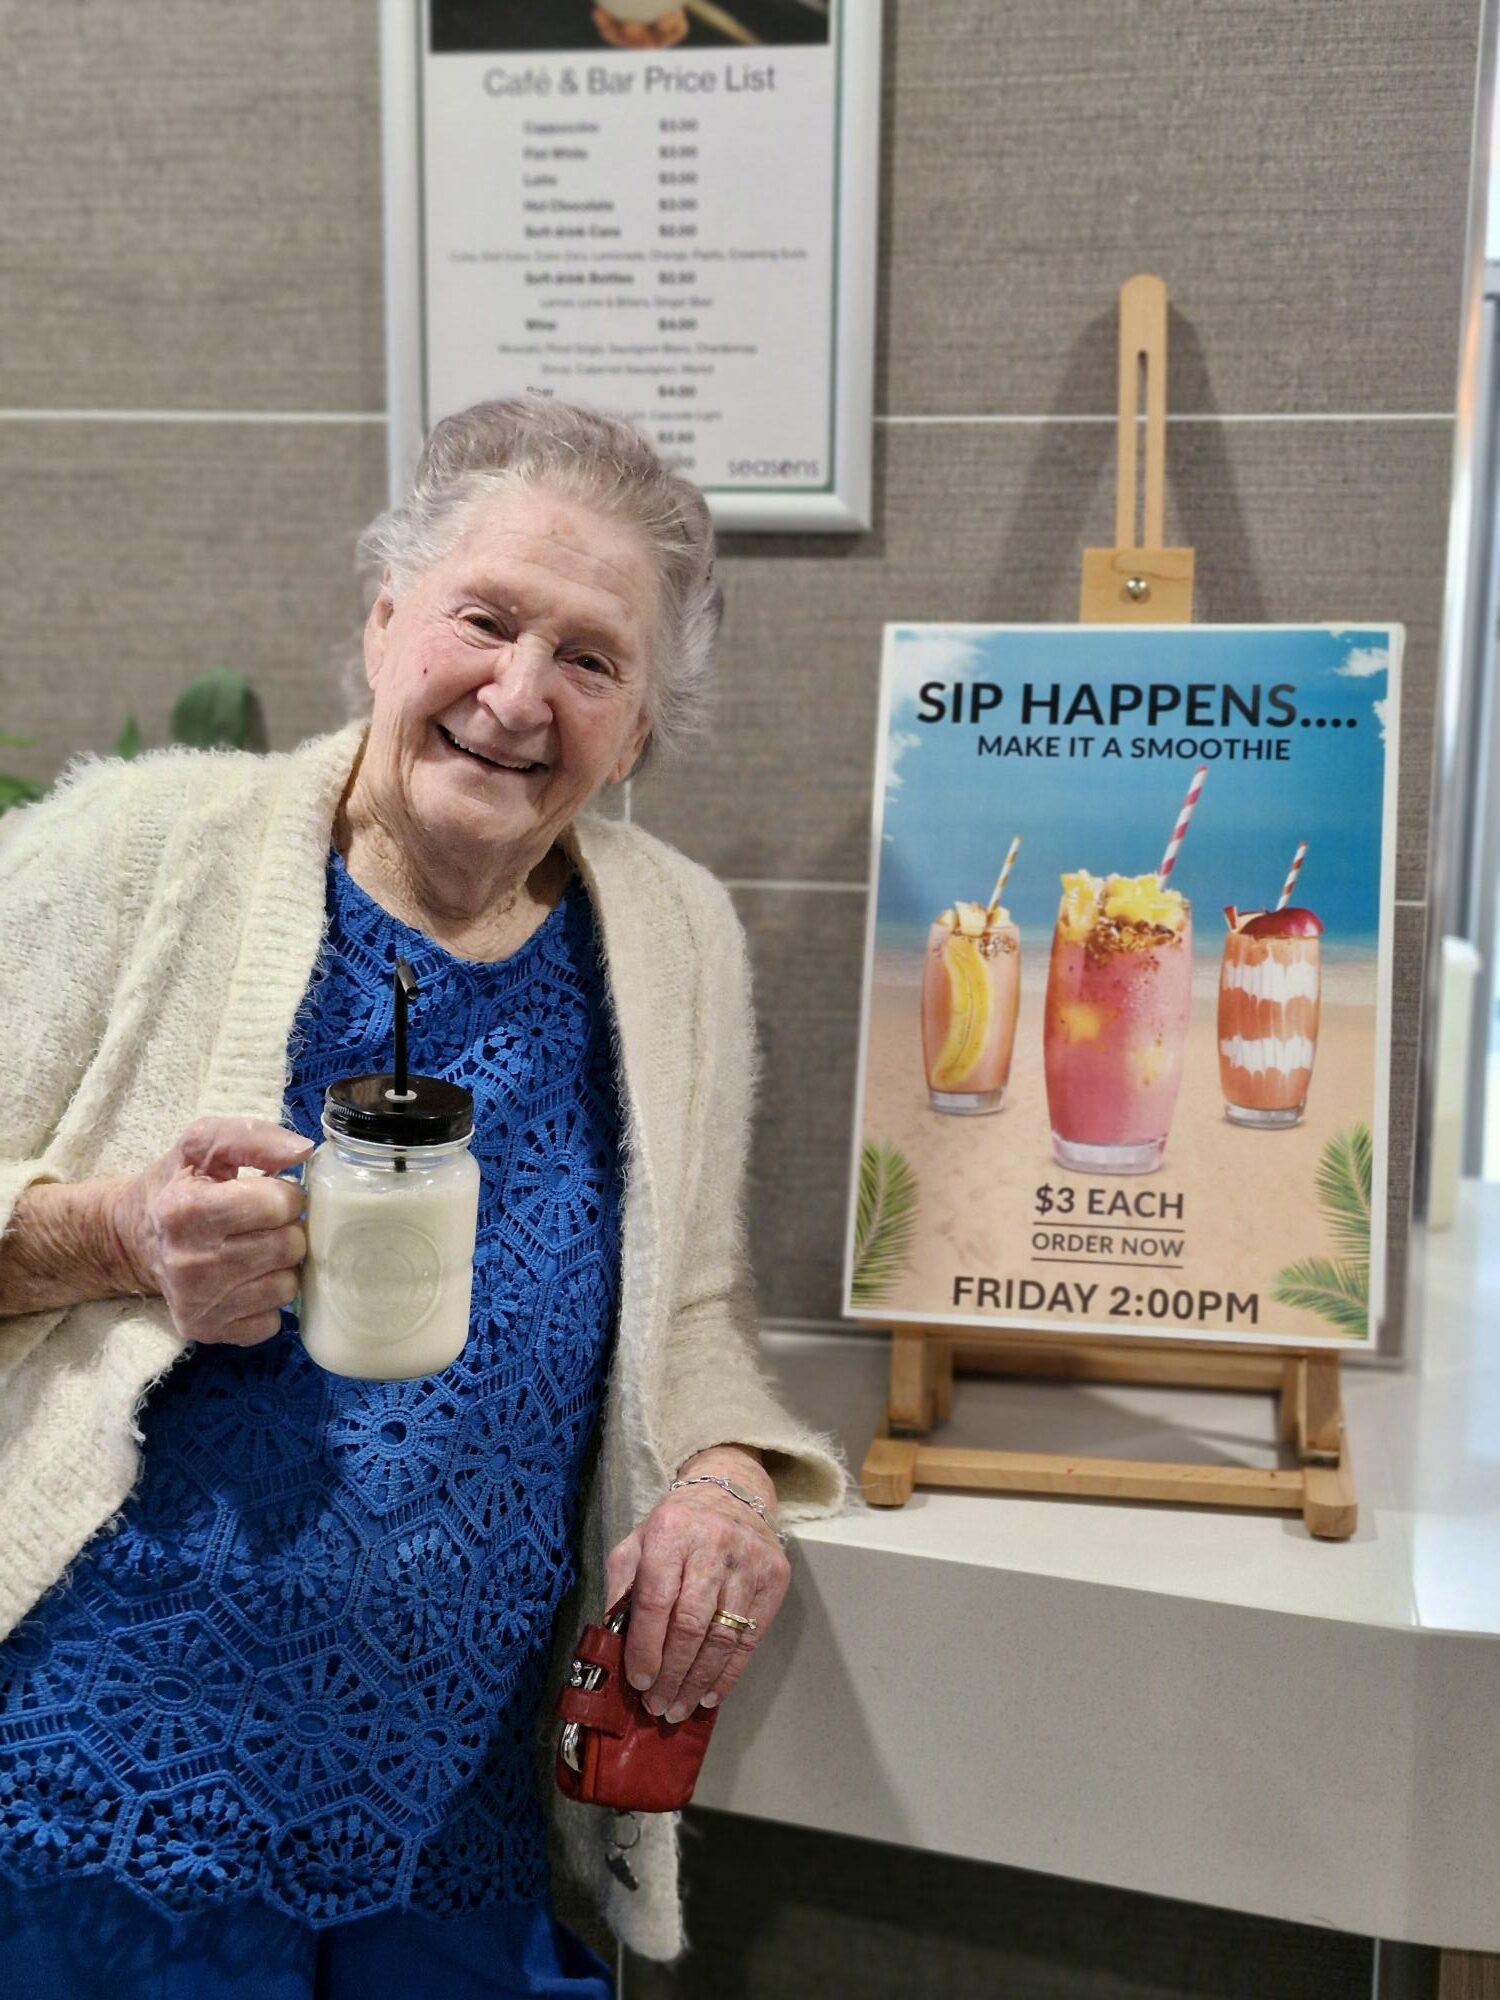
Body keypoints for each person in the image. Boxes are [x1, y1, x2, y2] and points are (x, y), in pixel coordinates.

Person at [0, 396, 846, 1997]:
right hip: (93, 1798)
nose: (519, 695)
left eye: (591, 660)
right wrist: (113, 1233)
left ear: (639, 731)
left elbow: (688, 1312)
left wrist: (729, 1480)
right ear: (385, 624)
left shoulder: (672, 937)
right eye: (485, 620)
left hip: (451, 1814)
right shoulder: (138, 850)